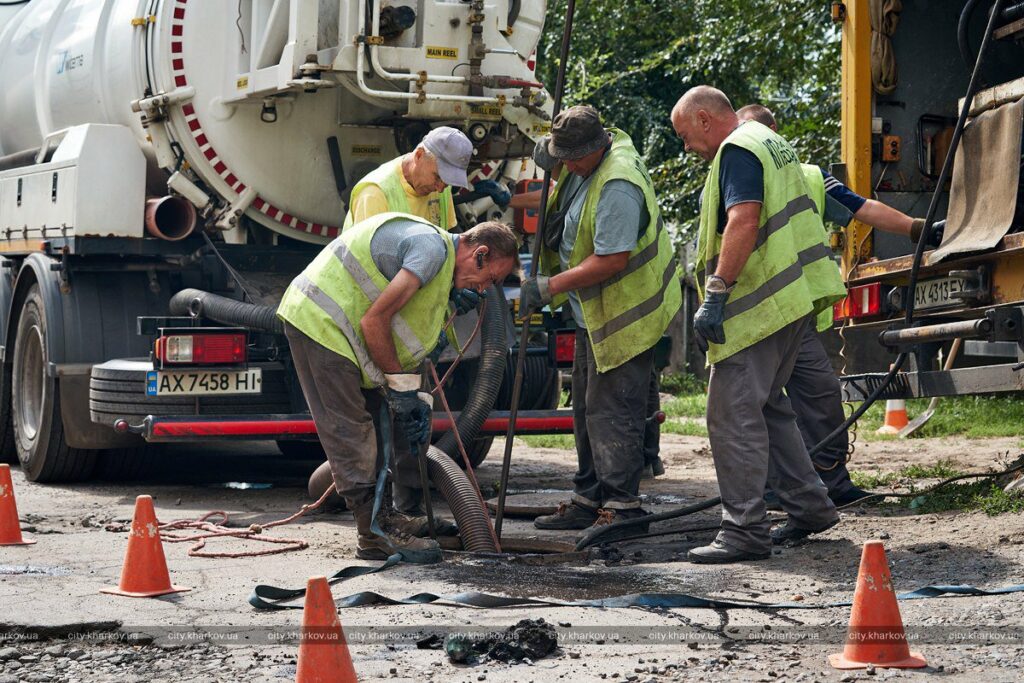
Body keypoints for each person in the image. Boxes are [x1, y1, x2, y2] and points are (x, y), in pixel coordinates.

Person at [277, 213, 520, 562]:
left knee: (379, 426)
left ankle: (386, 517)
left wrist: (451, 298)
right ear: (479, 253)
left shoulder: (440, 269)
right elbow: (373, 320)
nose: (483, 290)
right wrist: (401, 388)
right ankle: (373, 536)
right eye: (488, 279)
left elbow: (411, 330)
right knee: (352, 430)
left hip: (347, 336)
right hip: (321, 323)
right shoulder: (430, 250)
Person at [671, 86, 847, 564]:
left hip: (756, 307)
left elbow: (744, 220)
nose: (688, 148)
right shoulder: (771, 143)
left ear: (706, 119)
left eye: (686, 136)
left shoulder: (738, 149)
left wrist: (717, 291)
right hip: (792, 301)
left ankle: (745, 530)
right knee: (768, 408)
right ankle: (811, 507)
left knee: (731, 414)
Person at [736, 104, 932, 506]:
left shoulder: (805, 176)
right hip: (754, 314)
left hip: (796, 311)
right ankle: (771, 491)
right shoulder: (734, 171)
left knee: (822, 396)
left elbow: (863, 208)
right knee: (760, 404)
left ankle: (833, 486)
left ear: (775, 134)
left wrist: (917, 229)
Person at [520, 105, 682, 541]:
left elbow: (612, 258)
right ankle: (589, 497)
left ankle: (622, 506)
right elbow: (566, 178)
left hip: (626, 314)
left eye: (571, 159)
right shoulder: (589, 164)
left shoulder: (617, 184)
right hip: (595, 313)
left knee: (614, 410)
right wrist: (550, 156)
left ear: (595, 148)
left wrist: (549, 285)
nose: (565, 167)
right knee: (587, 409)